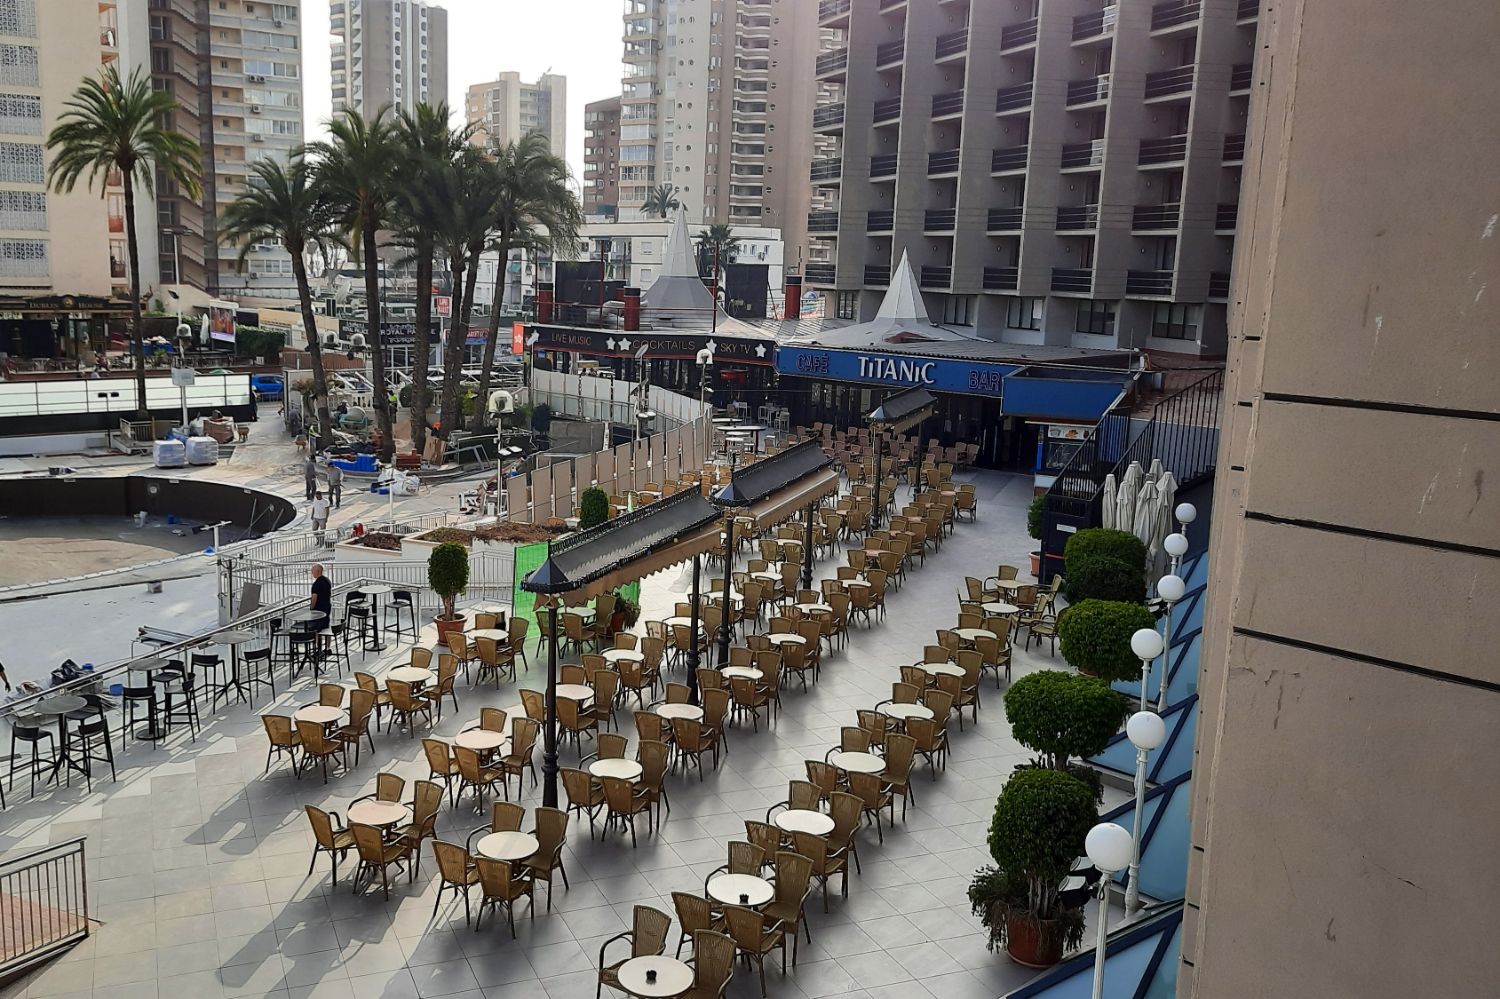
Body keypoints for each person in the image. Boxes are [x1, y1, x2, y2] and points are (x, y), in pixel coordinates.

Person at [309, 564, 332, 632]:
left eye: (313, 571)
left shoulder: (316, 584)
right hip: (327, 606)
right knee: (326, 627)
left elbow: (314, 598)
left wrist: (311, 608)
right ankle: (327, 639)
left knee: (316, 628)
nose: (312, 572)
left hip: (318, 609)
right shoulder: (327, 580)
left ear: (318, 571)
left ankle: (317, 639)